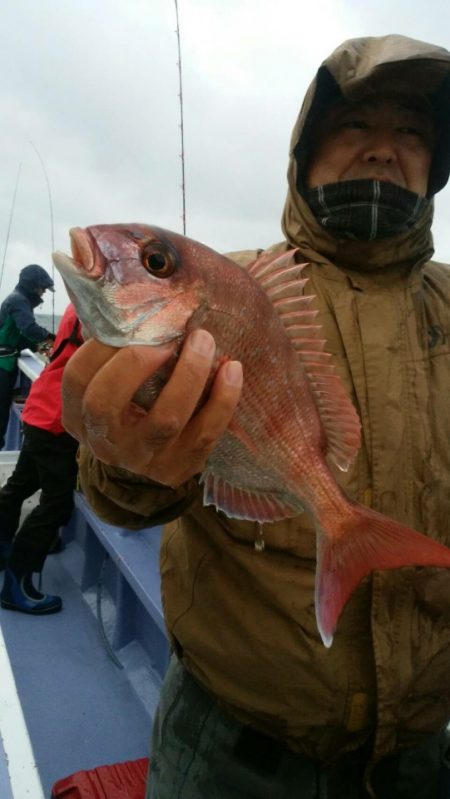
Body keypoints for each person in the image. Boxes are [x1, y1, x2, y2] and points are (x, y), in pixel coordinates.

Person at [61, 35, 450, 799]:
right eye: (355, 125)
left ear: (435, 164)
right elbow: (119, 494)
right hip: (231, 748)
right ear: (304, 154)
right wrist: (123, 456)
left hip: (420, 755)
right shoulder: (239, 287)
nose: (382, 150)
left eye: (410, 132)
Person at [0, 303, 83, 614]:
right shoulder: (95, 311)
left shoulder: (77, 305)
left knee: (20, 485)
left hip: (40, 408)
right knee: (57, 502)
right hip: (56, 421)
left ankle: (3, 548)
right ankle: (15, 583)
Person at [0, 263, 56, 450]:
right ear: (32, 285)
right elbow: (29, 329)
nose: (43, 293)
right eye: (42, 288)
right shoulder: (19, 301)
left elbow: (22, 337)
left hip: (6, 361)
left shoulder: (19, 300)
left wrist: (42, 346)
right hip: (2, 364)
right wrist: (53, 340)